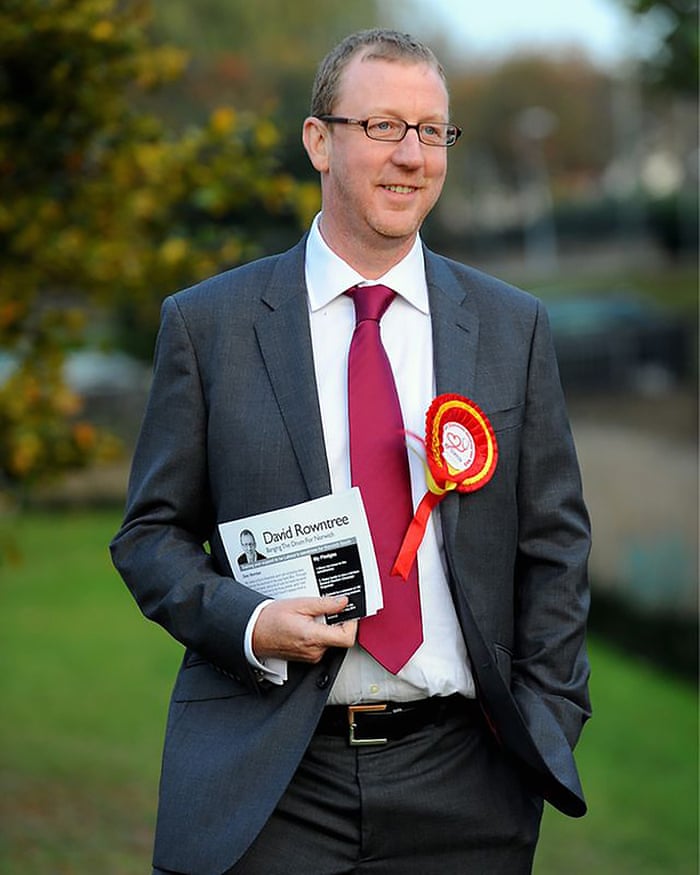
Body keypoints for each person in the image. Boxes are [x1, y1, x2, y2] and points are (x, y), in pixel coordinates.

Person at [110, 27, 591, 875]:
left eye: (431, 131)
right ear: (318, 141)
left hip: (465, 782)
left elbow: (555, 543)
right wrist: (250, 622)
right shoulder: (209, 325)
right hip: (269, 778)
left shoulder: (513, 327)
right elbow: (149, 535)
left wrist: (546, 717)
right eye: (382, 127)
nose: (411, 156)